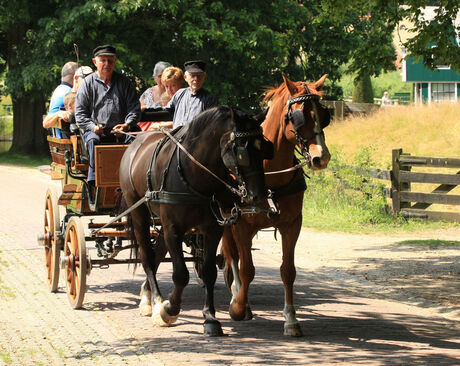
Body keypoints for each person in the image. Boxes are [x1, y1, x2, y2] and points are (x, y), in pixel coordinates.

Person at [75, 44, 141, 184]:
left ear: (115, 61)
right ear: (95, 62)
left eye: (110, 61)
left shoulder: (124, 82)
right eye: (103, 60)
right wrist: (93, 127)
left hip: (122, 131)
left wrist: (127, 125)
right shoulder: (87, 84)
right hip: (96, 131)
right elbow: (80, 115)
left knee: (139, 138)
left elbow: (134, 108)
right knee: (93, 140)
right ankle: (95, 181)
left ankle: (135, 178)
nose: (107, 64)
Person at [164, 60, 217, 129]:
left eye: (199, 76)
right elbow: (165, 110)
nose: (196, 79)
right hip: (175, 137)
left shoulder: (209, 99)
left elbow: (211, 124)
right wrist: (146, 109)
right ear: (185, 77)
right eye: (192, 76)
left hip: (195, 138)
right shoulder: (179, 94)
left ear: (204, 78)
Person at [138, 66, 184, 131]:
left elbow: (186, 121)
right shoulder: (173, 100)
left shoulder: (186, 98)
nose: (169, 90)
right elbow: (163, 109)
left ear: (181, 84)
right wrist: (146, 108)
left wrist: (161, 125)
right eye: (167, 86)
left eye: (173, 85)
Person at [47, 61, 78, 137]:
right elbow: (47, 122)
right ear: (75, 76)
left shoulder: (58, 90)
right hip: (67, 140)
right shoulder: (68, 93)